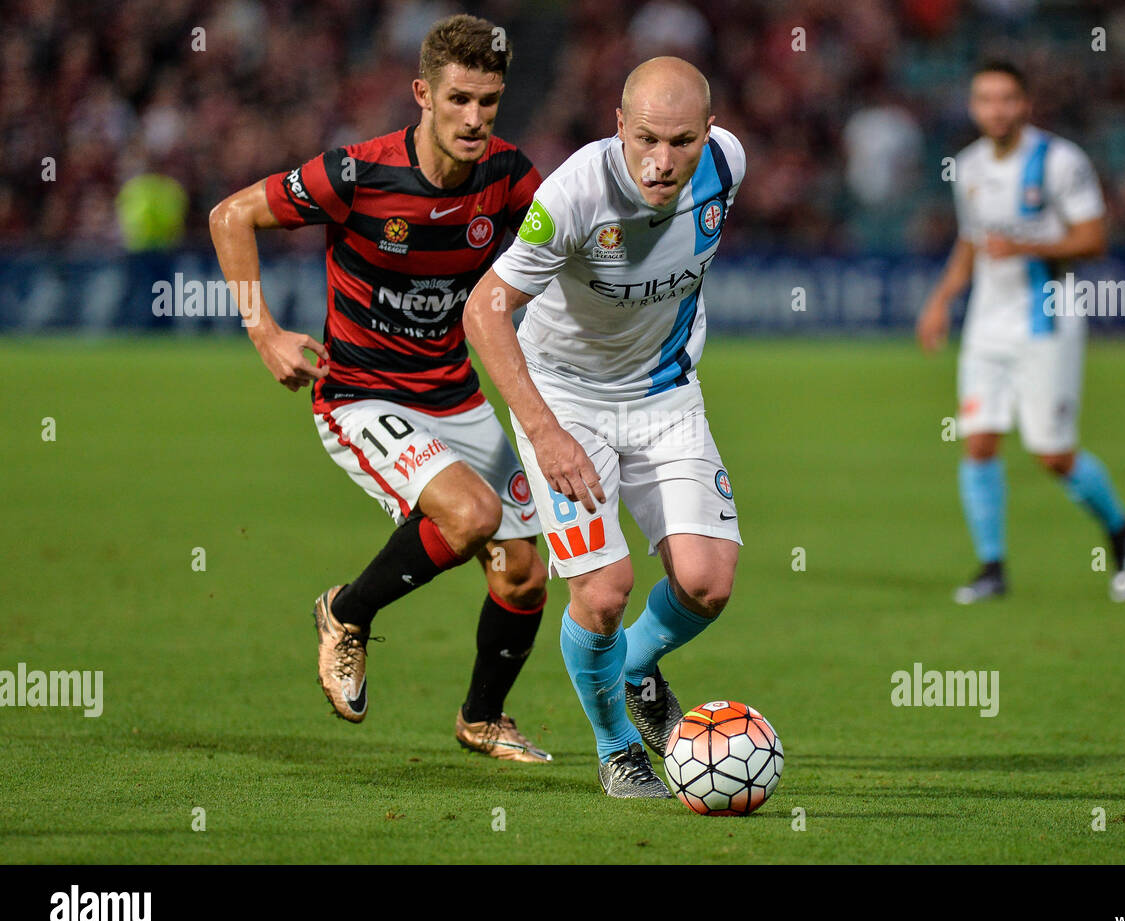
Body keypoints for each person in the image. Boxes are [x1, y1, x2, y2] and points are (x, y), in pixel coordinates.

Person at [208, 14, 552, 761]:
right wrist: (262, 331)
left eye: (488, 102)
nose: (474, 119)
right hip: (360, 393)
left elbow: (555, 262)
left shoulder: (512, 177)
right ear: (422, 93)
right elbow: (230, 215)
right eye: (459, 99)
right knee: (469, 516)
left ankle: (482, 717)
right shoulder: (355, 173)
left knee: (526, 574)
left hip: (453, 392)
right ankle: (345, 611)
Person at [463, 56, 745, 796]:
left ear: (710, 133)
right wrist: (545, 432)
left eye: (682, 141)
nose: (662, 161)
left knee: (707, 581)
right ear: (618, 125)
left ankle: (633, 669)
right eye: (646, 138)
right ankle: (616, 745)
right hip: (566, 401)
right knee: (605, 590)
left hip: (666, 395)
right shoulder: (574, 195)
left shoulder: (728, 168)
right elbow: (484, 310)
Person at [917, 61, 1125, 605]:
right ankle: (993, 567)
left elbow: (1093, 238)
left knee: (1052, 454)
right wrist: (942, 298)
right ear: (974, 107)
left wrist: (1026, 246)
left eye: (1006, 99)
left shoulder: (1061, 161)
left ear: (1025, 105)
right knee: (979, 442)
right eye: (985, 99)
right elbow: (972, 242)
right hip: (987, 324)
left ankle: (1121, 528)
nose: (996, 109)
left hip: (1048, 319)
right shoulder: (968, 166)